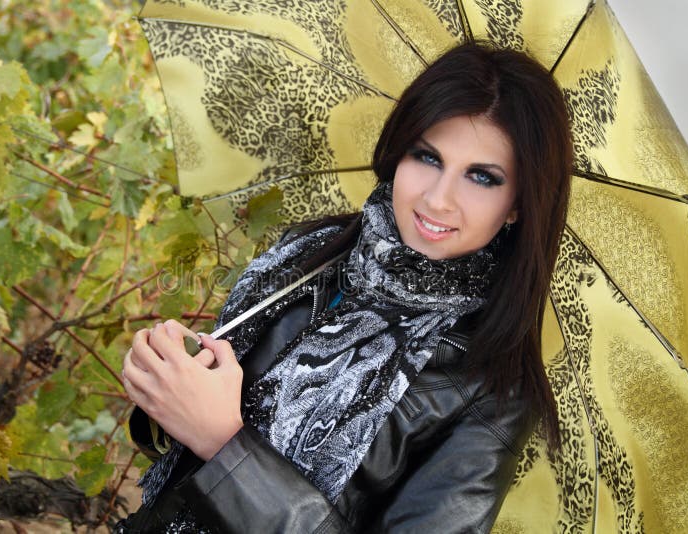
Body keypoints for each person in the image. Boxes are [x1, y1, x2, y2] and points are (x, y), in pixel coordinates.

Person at [116, 40, 572, 533]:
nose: (438, 199)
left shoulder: (492, 392)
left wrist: (226, 446)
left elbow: (221, 443)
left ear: (520, 204)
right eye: (428, 156)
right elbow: (186, 457)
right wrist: (168, 394)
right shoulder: (314, 253)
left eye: (481, 177)